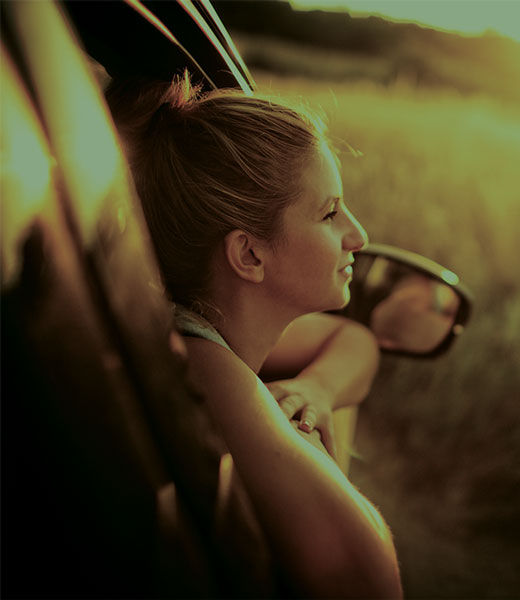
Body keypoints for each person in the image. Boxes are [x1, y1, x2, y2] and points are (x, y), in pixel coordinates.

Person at [107, 73, 402, 599]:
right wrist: (305, 449)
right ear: (249, 255)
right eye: (330, 212)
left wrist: (317, 390)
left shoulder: (212, 327)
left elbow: (354, 342)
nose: (358, 235)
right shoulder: (202, 365)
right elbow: (366, 578)